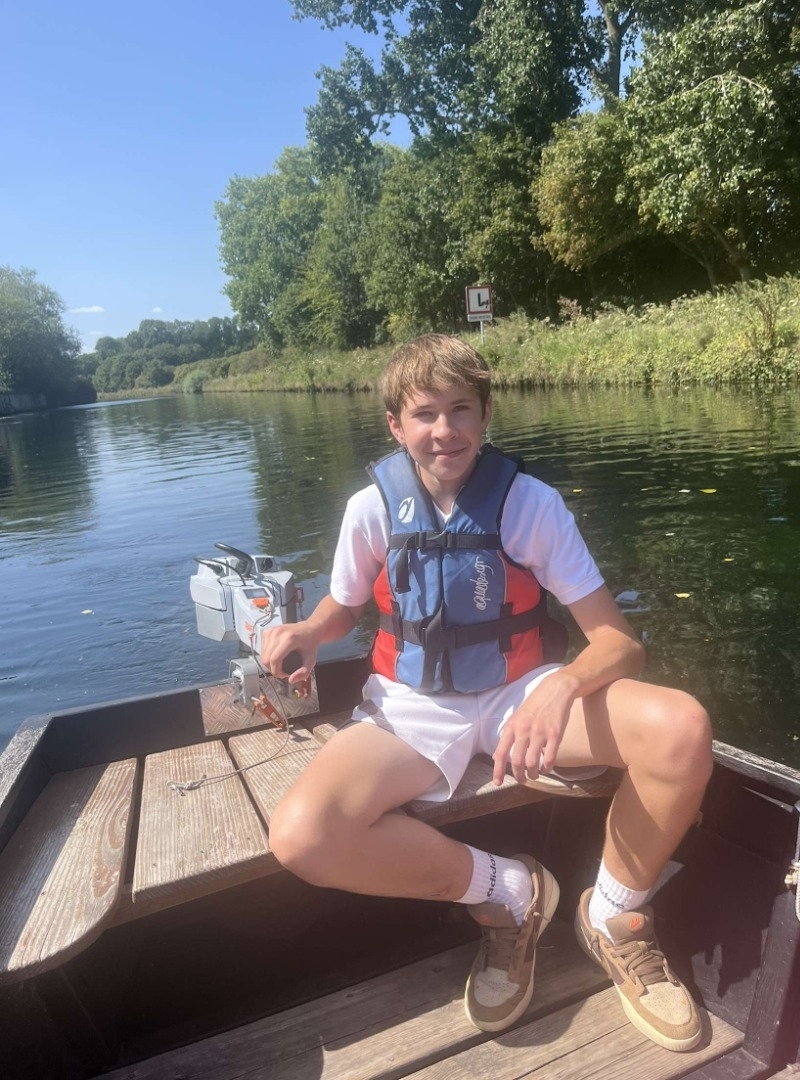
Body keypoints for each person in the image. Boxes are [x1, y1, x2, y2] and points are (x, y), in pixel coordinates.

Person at [260, 334, 713, 1052]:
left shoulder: (531, 504)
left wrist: (560, 688)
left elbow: (618, 642)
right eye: (425, 414)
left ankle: (613, 914)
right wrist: (310, 632)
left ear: (486, 415)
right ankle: (509, 893)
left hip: (521, 692)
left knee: (680, 729)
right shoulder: (370, 509)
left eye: (461, 409)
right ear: (395, 425)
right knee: (301, 836)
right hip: (408, 704)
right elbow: (343, 607)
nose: (445, 430)